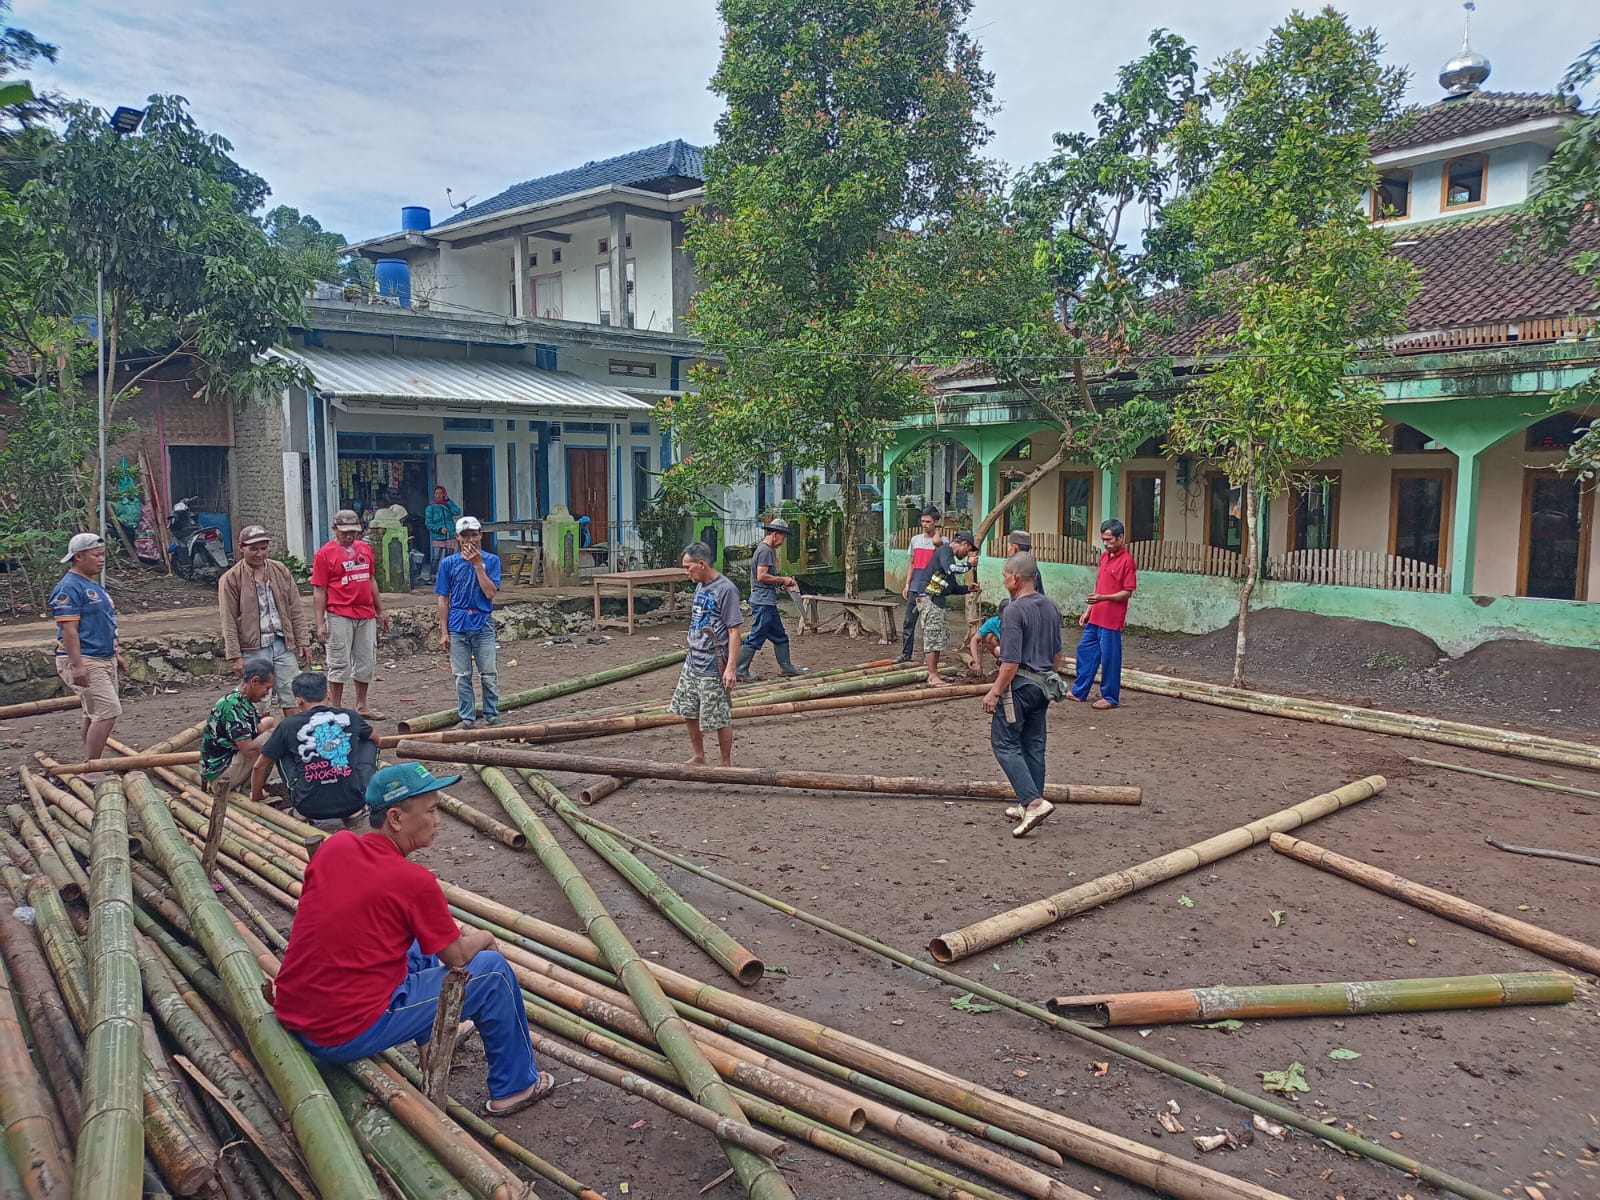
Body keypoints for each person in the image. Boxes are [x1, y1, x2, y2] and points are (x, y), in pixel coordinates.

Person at [271, 761, 552, 1116]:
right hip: (341, 1031)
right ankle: (516, 1087)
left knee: (419, 944)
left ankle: (431, 1040)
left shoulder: (336, 846)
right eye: (430, 811)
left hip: (299, 1011)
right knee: (493, 970)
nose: (437, 820)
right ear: (396, 818)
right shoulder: (414, 881)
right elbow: (457, 957)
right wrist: (484, 936)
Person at [984, 552, 1066, 838]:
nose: (1004, 580)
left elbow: (1010, 662)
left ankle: (1033, 802)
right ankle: (1030, 801)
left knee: (1004, 743)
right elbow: (1058, 655)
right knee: (1034, 745)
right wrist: (1048, 679)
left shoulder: (1013, 611)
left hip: (1019, 686)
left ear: (1016, 578)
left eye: (1005, 576)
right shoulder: (1051, 607)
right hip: (1044, 685)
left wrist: (995, 691)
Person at [251, 672, 378, 828]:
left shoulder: (288, 725)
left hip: (308, 806)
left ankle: (299, 814)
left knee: (278, 749)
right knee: (368, 741)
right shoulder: (350, 716)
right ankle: (358, 807)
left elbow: (259, 766)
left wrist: (256, 795)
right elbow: (376, 738)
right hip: (353, 803)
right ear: (328, 695)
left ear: (298, 700)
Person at [197, 655, 281, 876]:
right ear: (254, 681)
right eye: (266, 688)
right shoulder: (234, 707)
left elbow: (252, 732)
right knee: (275, 740)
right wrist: (277, 737)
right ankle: (252, 790)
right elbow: (248, 749)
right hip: (221, 772)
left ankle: (248, 784)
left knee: (271, 724)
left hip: (221, 760)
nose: (267, 694)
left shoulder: (238, 701)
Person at [49, 533, 127, 769]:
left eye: (102, 555)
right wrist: (78, 665)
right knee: (107, 711)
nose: (101, 560)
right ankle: (92, 767)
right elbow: (69, 630)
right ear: (79, 557)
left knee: (93, 711)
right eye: (96, 555)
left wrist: (115, 653)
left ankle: (90, 760)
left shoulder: (93, 585)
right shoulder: (68, 588)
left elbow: (105, 623)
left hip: (103, 656)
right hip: (85, 658)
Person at [219, 525, 311, 716]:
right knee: (259, 700)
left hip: (282, 642)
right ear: (241, 548)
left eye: (263, 548)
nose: (259, 554)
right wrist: (236, 656)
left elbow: (295, 607)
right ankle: (262, 734)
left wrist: (302, 640)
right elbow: (228, 620)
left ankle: (292, 732)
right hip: (253, 647)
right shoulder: (231, 579)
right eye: (253, 549)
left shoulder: (280, 570)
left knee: (291, 693)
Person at [668, 541, 742, 766]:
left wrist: (730, 668)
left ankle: (725, 762)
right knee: (688, 709)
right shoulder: (700, 585)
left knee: (719, 714)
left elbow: (734, 630)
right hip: (693, 658)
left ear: (701, 564)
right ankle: (699, 756)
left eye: (688, 567)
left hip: (713, 660)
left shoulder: (726, 589)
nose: (686, 572)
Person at [312, 509, 390, 720]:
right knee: (339, 662)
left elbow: (371, 579)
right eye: (344, 531)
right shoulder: (324, 554)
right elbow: (319, 590)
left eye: (353, 531)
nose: (349, 535)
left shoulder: (365, 548)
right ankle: (335, 707)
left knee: (366, 661)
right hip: (338, 613)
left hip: (365, 613)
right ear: (334, 529)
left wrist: (381, 610)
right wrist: (320, 623)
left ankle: (361, 706)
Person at [435, 515, 501, 729]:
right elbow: (443, 598)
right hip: (457, 622)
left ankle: (491, 713)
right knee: (462, 675)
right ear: (458, 537)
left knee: (488, 673)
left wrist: (478, 566)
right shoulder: (449, 564)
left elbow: (490, 593)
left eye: (474, 535)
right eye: (465, 536)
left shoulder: (491, 561)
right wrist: (444, 632)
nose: (470, 540)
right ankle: (467, 717)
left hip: (482, 621)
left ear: (480, 535)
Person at [1071, 519, 1138, 711]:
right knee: (1085, 651)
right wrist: (1089, 610)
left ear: (1120, 537)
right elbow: (1099, 585)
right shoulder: (1104, 557)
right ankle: (1079, 691)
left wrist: (1103, 598)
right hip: (1096, 616)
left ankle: (1110, 697)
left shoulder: (1127, 562)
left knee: (1110, 659)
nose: (1106, 544)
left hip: (1111, 619)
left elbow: (1127, 592)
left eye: (1109, 540)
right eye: (1104, 540)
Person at [734, 517, 804, 682]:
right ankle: (740, 670)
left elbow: (767, 576)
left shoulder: (767, 550)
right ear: (775, 534)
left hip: (767, 601)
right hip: (762, 601)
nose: (783, 541)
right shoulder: (765, 550)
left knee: (780, 635)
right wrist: (783, 580)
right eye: (783, 537)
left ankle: (787, 667)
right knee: (757, 635)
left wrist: (781, 582)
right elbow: (761, 576)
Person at [915, 529, 978, 687]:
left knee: (938, 638)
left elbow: (951, 587)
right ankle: (932, 676)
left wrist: (967, 588)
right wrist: (969, 565)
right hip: (929, 598)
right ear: (964, 544)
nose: (967, 554)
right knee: (932, 636)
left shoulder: (947, 557)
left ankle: (935, 672)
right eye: (968, 550)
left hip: (936, 599)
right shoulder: (946, 550)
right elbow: (952, 568)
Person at [897, 506, 943, 664]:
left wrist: (938, 543)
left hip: (931, 589)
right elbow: (912, 562)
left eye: (928, 521)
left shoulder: (942, 542)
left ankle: (927, 657)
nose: (925, 524)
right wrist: (907, 584)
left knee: (928, 625)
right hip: (915, 587)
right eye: (923, 521)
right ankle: (906, 654)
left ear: (936, 522)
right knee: (908, 622)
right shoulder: (915, 540)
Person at [423, 487, 461, 582]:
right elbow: (428, 523)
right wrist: (439, 529)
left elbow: (457, 511)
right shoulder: (430, 508)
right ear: (434, 495)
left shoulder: (448, 505)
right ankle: (432, 577)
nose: (439, 495)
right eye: (436, 493)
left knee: (449, 559)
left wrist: (448, 501)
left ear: (444, 494)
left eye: (441, 493)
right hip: (438, 536)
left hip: (450, 535)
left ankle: (448, 577)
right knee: (436, 558)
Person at [967, 597, 1010, 679]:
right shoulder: (994, 622)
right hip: (1004, 650)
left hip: (1018, 653)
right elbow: (974, 640)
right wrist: (976, 662)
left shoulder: (1022, 623)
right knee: (989, 638)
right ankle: (1002, 663)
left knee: (999, 650)